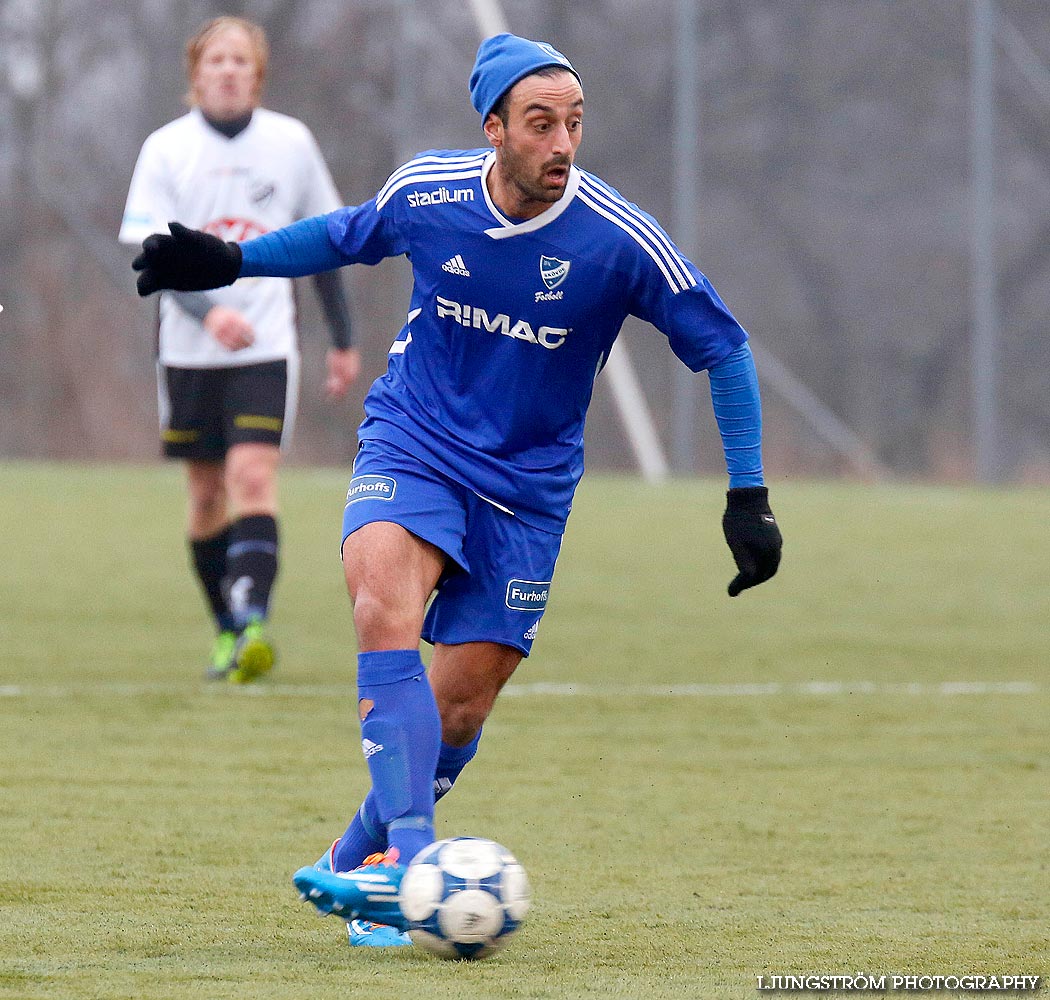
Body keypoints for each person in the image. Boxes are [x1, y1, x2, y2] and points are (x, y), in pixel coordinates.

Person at [132, 33, 783, 945]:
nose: (562, 144)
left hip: (530, 488)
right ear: (495, 129)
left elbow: (723, 345)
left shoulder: (618, 240)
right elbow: (348, 233)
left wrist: (746, 496)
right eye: (541, 124)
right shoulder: (429, 193)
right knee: (379, 604)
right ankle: (409, 858)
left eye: (575, 125)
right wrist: (231, 262)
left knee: (461, 707)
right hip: (416, 440)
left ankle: (354, 856)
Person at [119, 16, 360, 683]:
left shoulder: (291, 143)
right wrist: (209, 311)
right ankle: (225, 628)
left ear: (258, 74)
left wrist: (342, 339)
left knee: (252, 477)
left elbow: (327, 242)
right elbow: (149, 255)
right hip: (189, 350)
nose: (227, 70)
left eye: (241, 61)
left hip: (266, 344)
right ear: (194, 73)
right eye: (215, 60)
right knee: (204, 497)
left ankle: (253, 617)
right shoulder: (166, 149)